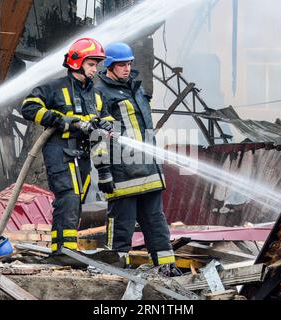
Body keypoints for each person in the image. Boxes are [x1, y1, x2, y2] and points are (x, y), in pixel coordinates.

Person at [94, 42, 180, 275]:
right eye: (121, 64)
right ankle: (116, 270)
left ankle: (166, 268)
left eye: (129, 63)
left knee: (156, 223)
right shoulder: (100, 92)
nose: (126, 67)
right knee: (122, 225)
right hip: (122, 173)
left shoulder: (136, 89)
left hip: (149, 170)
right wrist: (104, 171)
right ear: (110, 65)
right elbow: (97, 135)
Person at [21, 38, 112, 254]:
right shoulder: (54, 88)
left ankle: (68, 249)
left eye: (96, 64)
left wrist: (106, 126)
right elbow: (29, 107)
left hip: (84, 156)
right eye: (91, 64)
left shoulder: (96, 95)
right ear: (76, 62)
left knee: (77, 201)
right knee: (69, 197)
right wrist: (61, 120)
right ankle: (63, 250)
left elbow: (102, 129)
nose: (94, 69)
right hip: (60, 152)